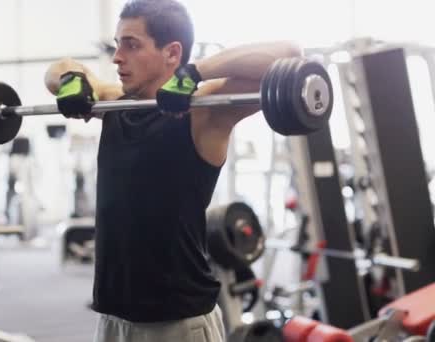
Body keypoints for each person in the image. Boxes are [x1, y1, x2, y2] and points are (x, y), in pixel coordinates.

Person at [44, 1, 301, 341]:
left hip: (178, 323)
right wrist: (70, 79)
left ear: (172, 52)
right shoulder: (114, 103)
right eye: (118, 43)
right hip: (113, 320)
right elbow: (57, 70)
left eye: (131, 45)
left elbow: (289, 54)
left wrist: (195, 72)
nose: (118, 57)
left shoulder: (204, 113)